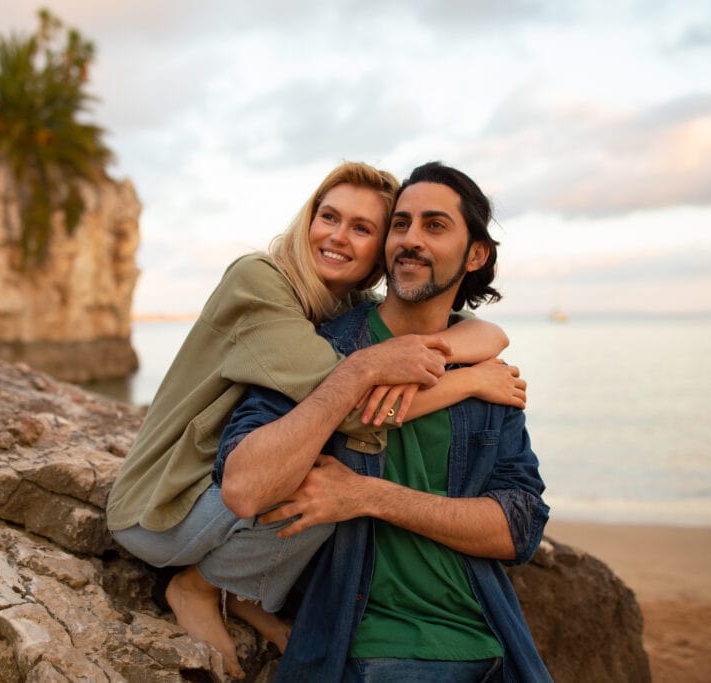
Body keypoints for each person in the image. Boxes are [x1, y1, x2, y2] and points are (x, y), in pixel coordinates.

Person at [105, 161, 526, 678]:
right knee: (314, 463)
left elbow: (485, 332)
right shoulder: (260, 281)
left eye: (363, 228)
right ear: (308, 220)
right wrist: (463, 380)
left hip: (220, 475)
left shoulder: (342, 302)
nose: (338, 236)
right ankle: (198, 585)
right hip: (167, 497)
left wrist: (470, 345)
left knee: (313, 458)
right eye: (328, 217)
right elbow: (344, 405)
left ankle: (244, 592)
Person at [216, 161, 551, 682]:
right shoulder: (323, 349)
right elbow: (244, 484)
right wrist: (360, 370)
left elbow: (519, 526)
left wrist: (367, 496)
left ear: (476, 254)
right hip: (367, 647)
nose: (411, 240)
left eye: (435, 226)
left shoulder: (485, 376)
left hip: (492, 644)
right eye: (400, 224)